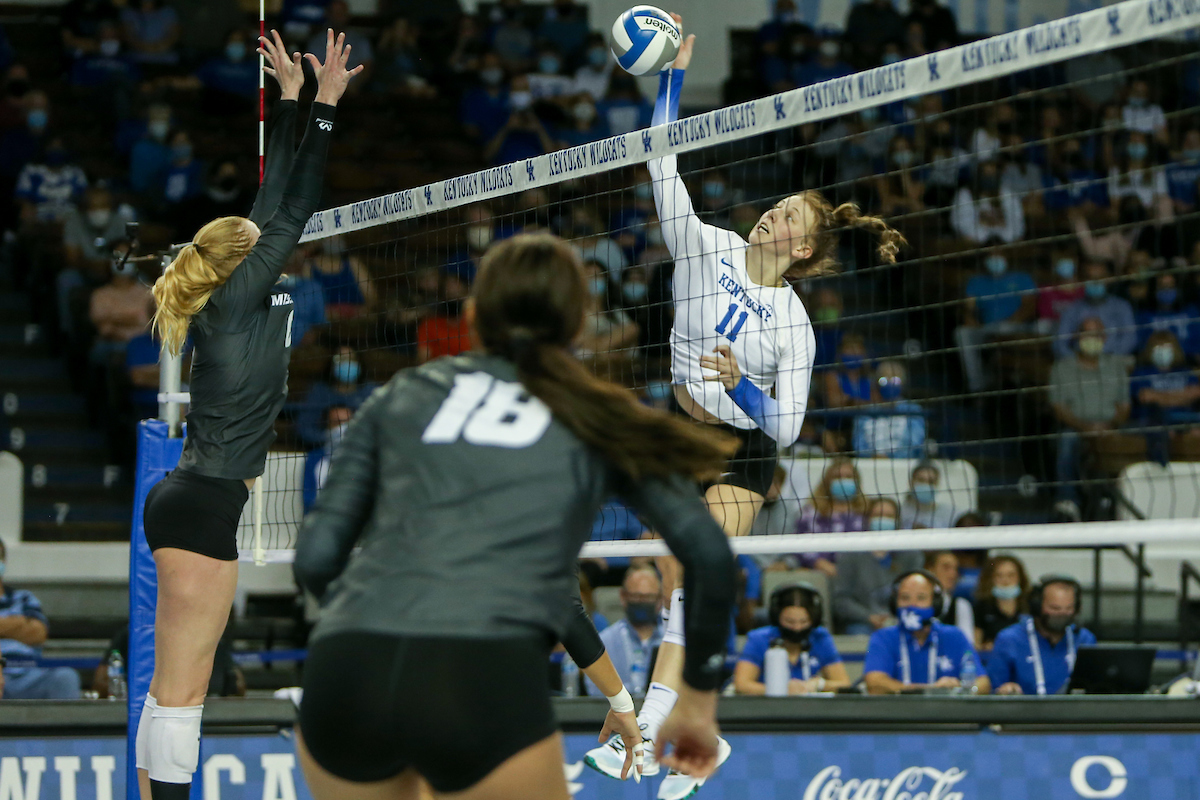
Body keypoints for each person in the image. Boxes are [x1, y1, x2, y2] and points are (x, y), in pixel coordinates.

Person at [292, 233, 738, 800]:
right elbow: (710, 557)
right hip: (479, 672)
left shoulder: (401, 394)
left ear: (473, 316)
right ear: (578, 325)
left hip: (346, 668)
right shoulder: (598, 415)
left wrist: (381, 628)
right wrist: (695, 704)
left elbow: (315, 560)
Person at [587, 22, 903, 799]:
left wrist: (739, 386)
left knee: (697, 575)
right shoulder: (706, 246)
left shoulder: (795, 323)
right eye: (780, 206)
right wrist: (669, 80)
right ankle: (688, 735)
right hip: (678, 435)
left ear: (804, 249)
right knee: (671, 576)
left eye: (792, 218)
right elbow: (661, 162)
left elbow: (788, 426)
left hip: (743, 449)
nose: (775, 216)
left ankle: (655, 723)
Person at [135, 30, 359, 800]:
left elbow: (274, 200)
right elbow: (297, 201)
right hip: (202, 505)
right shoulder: (234, 299)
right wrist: (326, 105)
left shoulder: (228, 291)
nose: (268, 237)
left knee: (170, 686)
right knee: (184, 691)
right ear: (242, 258)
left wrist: (291, 100)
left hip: (190, 498)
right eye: (255, 241)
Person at [1049, 317, 1132, 522]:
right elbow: (1059, 409)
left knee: (1135, 440)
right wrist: (1086, 427)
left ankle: (1117, 503)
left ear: (1104, 338)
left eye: (1096, 334)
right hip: (1076, 428)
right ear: (1077, 338)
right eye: (1086, 333)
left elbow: (1124, 407)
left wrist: (1109, 426)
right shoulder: (1061, 368)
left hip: (1112, 428)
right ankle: (1068, 502)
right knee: (1067, 441)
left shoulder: (1116, 366)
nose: (1091, 339)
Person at [863, 570, 990, 695]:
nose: (912, 605)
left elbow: (983, 683)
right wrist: (932, 690)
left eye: (921, 598)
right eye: (905, 598)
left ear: (936, 604)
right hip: (897, 708)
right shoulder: (883, 637)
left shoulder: (954, 636)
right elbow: (874, 683)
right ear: (894, 603)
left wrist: (960, 689)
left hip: (945, 708)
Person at [0, 540, 82, 699]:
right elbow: (27, 629)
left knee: (66, 677)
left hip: (27, 676)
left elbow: (37, 633)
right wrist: (18, 623)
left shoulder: (23, 598)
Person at [733, 582, 849, 695]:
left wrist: (819, 684)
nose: (797, 628)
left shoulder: (820, 637)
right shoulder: (759, 639)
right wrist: (779, 690)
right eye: (789, 622)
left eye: (804, 622)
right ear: (776, 617)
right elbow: (742, 685)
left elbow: (844, 684)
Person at [988, 576, 1096, 695]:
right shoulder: (1009, 640)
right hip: (1025, 706)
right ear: (1037, 606)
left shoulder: (1085, 639)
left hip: (1076, 707)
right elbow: (993, 691)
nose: (1062, 614)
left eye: (1069, 608)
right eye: (1055, 608)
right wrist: (1005, 689)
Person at [954, 245, 1037, 392]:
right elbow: (968, 308)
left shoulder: (1022, 278)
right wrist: (969, 318)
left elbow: (1030, 305)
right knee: (962, 333)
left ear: (1006, 257)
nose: (995, 260)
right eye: (991, 256)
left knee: (1004, 329)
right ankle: (977, 385)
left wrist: (1014, 320)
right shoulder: (976, 281)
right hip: (987, 327)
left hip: (1016, 325)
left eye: (999, 255)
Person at [832, 499, 922, 634]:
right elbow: (841, 600)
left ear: (897, 521)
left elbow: (918, 594)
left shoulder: (911, 554)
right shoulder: (850, 554)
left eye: (889, 516)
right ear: (867, 519)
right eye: (878, 515)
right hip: (862, 623)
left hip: (902, 619)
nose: (882, 520)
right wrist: (869, 617)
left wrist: (896, 617)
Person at [584, 566, 664, 698]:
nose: (642, 602)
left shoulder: (671, 640)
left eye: (649, 597)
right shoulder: (604, 642)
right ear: (623, 596)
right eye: (636, 596)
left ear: (660, 599)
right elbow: (595, 689)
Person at [1129, 330, 1200, 464]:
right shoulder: (1141, 372)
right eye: (1158, 348)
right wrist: (1183, 396)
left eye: (1167, 348)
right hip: (1153, 421)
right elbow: (1146, 396)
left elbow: (1196, 392)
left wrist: (1161, 397)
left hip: (1186, 420)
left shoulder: (1186, 371)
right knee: (1162, 431)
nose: (1163, 352)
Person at [794, 457, 867, 577]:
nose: (843, 481)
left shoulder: (865, 512)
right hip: (817, 572)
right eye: (838, 477)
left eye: (848, 477)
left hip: (857, 575)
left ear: (856, 481)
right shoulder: (811, 512)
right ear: (828, 482)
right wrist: (819, 564)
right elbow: (799, 544)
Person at [295, 346, 378, 445]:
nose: (347, 363)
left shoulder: (372, 392)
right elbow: (304, 428)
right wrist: (329, 437)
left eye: (351, 359)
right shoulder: (319, 392)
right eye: (341, 359)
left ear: (359, 363)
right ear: (332, 364)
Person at [1054, 261, 1137, 358]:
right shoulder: (1072, 309)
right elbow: (1059, 344)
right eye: (1090, 278)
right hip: (1079, 362)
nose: (1095, 282)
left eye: (1099, 278)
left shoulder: (1122, 307)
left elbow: (1130, 339)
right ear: (1083, 280)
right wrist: (1077, 360)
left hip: (1114, 360)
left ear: (1108, 280)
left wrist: (1110, 359)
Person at [851, 359, 926, 459]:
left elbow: (914, 442)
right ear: (877, 383)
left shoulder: (913, 410)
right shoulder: (865, 413)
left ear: (903, 383)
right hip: (870, 463)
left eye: (895, 380)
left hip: (904, 463)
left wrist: (890, 458)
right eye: (884, 380)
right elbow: (859, 444)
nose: (889, 384)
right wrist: (873, 457)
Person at [972, 554, 1029, 651]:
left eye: (1011, 575)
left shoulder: (1030, 604)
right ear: (991, 579)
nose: (1005, 581)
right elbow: (976, 645)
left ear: (1020, 578)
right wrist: (986, 647)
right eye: (999, 576)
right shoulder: (981, 607)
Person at [925, 551, 974, 644]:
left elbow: (967, 643)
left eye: (955, 569)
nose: (953, 574)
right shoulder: (917, 603)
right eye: (946, 567)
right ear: (931, 570)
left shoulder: (961, 605)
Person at [899, 462, 960, 529]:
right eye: (921, 480)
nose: (926, 485)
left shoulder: (952, 514)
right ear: (911, 482)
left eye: (931, 482)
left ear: (937, 484)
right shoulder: (899, 513)